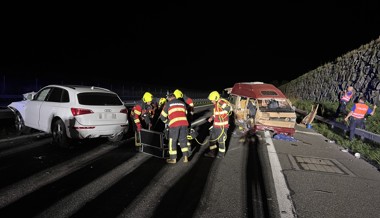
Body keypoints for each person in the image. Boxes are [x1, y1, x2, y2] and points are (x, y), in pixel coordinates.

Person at [159, 93, 190, 164]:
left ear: (169, 98)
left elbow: (162, 117)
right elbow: (186, 113)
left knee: (173, 141)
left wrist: (167, 122)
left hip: (174, 124)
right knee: (183, 140)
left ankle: (173, 159)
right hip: (184, 123)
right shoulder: (183, 103)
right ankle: (185, 157)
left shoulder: (168, 104)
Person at [204, 91, 232, 158]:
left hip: (221, 126)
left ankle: (221, 154)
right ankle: (212, 153)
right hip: (215, 126)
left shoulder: (221, 102)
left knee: (221, 141)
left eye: (212, 100)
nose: (211, 101)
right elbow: (216, 114)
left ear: (216, 98)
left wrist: (223, 111)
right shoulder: (216, 104)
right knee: (212, 140)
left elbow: (229, 109)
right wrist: (212, 117)